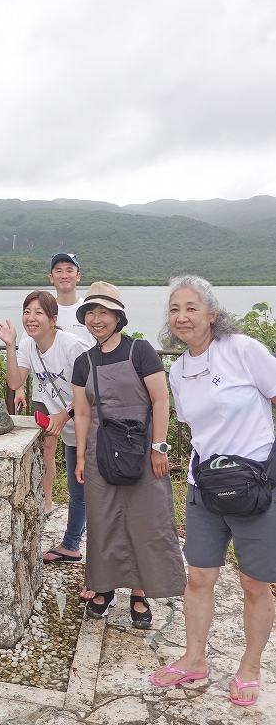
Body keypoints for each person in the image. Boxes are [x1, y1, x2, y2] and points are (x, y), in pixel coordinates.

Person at [150, 276, 276, 707]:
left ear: (212, 314)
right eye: (174, 309)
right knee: (200, 576)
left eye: (191, 307)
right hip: (205, 486)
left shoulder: (241, 350)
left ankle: (250, 667)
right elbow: (196, 427)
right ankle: (194, 659)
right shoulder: (179, 370)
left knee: (255, 583)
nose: (182, 316)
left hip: (256, 485)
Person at [72, 282, 185, 628]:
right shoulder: (83, 361)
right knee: (104, 521)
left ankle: (140, 591)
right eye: (91, 312)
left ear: (118, 317)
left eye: (103, 312)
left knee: (145, 519)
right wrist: (79, 458)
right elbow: (83, 413)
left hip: (142, 447)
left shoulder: (141, 351)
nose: (96, 319)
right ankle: (104, 588)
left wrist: (159, 446)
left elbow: (160, 399)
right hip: (100, 449)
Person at [0, 291, 90, 563]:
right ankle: (72, 544)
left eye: (39, 313)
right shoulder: (28, 344)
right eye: (27, 312)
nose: (31, 318)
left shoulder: (72, 346)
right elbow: (14, 381)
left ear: (53, 319)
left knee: (90, 491)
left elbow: (95, 390)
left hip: (93, 428)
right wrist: (10, 346)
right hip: (71, 432)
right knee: (78, 490)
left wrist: (65, 414)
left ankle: (75, 544)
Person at [14, 253, 94, 518]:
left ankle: (84, 518)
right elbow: (23, 364)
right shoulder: (39, 315)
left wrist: (70, 410)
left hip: (82, 398)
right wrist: (19, 388)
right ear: (51, 276)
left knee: (83, 458)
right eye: (58, 270)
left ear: (78, 275)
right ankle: (48, 502)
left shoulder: (87, 312)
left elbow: (93, 375)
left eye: (69, 269)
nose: (64, 274)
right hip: (47, 392)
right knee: (48, 448)